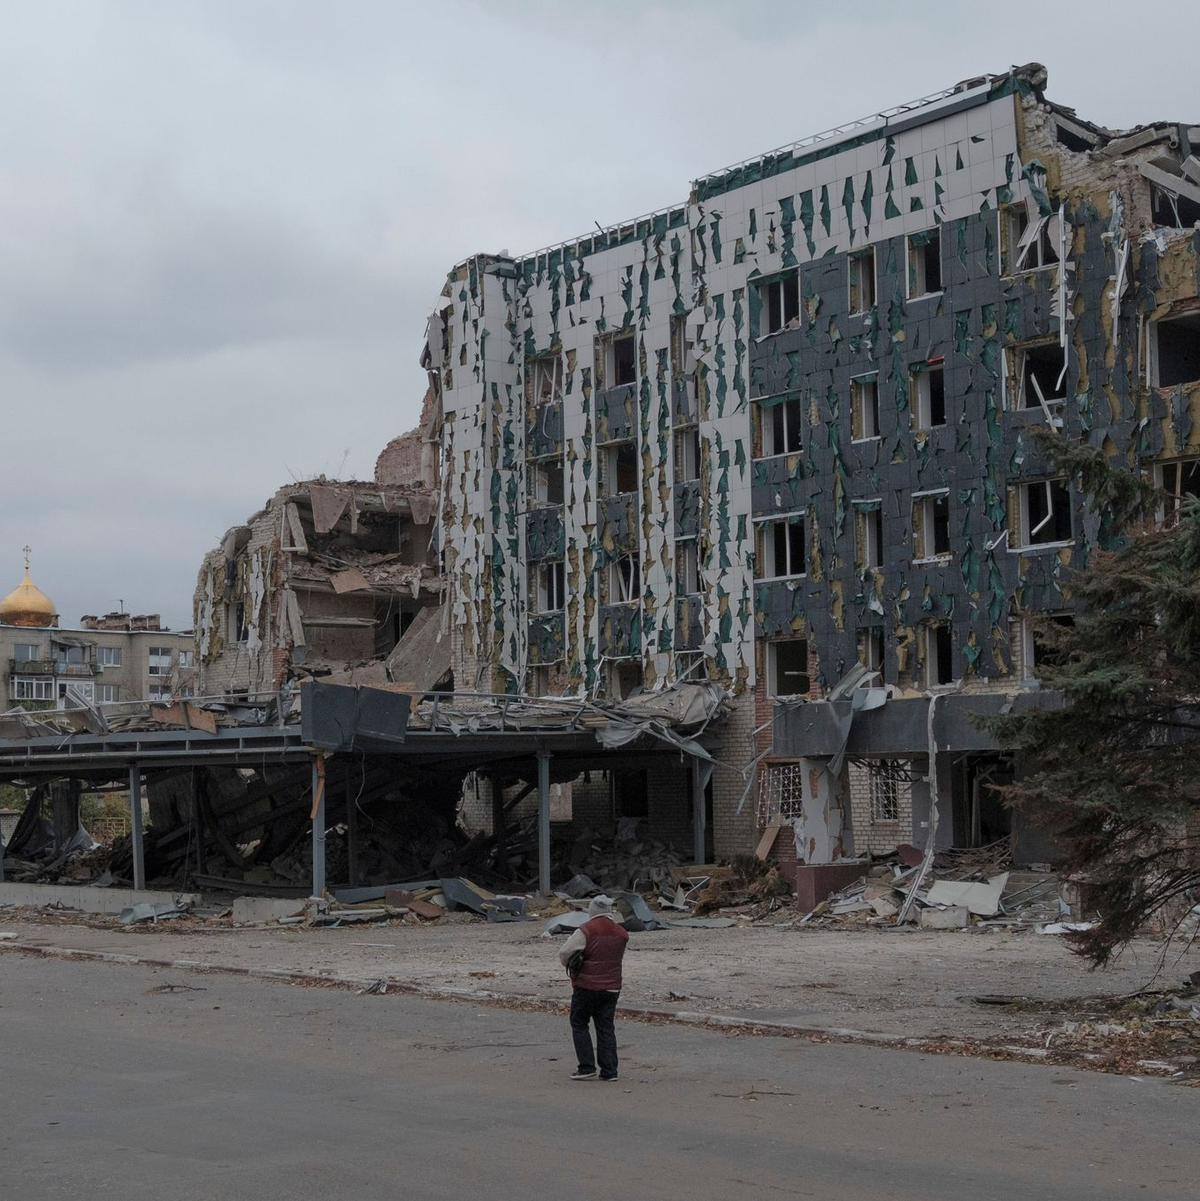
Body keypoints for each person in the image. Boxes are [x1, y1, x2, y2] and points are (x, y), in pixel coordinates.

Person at [558, 894, 629, 1081]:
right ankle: (610, 1071)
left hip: (587, 986)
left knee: (579, 1023)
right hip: (613, 986)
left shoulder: (586, 930)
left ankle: (586, 1067)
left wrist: (571, 965)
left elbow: (565, 952)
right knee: (605, 1027)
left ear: (592, 912)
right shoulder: (621, 932)